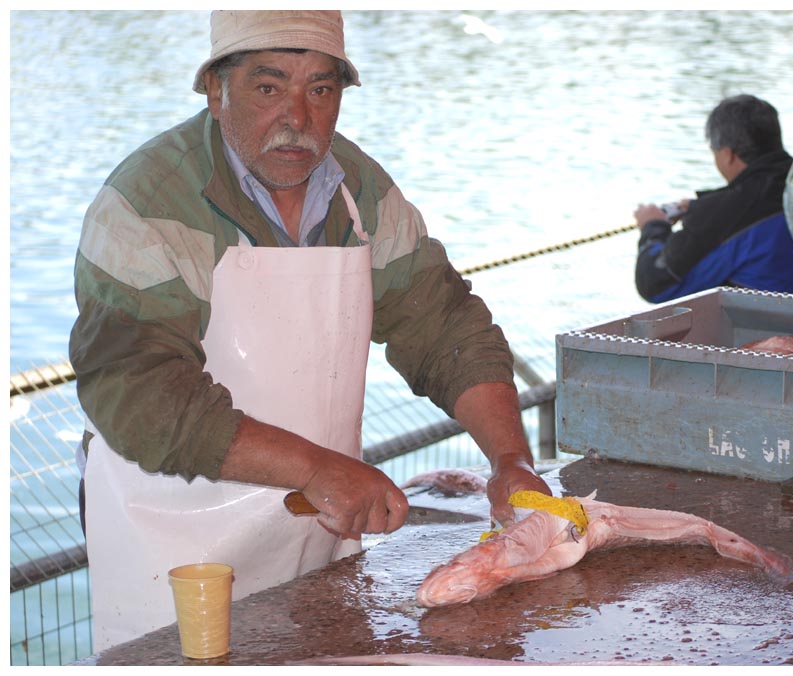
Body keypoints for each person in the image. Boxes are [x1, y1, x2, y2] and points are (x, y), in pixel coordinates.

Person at [68, 10, 550, 651]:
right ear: (217, 89)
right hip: (176, 542)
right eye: (269, 88)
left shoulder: (360, 190)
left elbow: (444, 324)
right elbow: (139, 393)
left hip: (319, 525)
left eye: (321, 90)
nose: (299, 117)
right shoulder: (148, 202)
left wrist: (509, 459)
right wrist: (317, 467)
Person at [633, 94, 793, 304]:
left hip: (762, 333)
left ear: (727, 154)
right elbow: (761, 197)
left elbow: (654, 284)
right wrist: (702, 205)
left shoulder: (721, 216)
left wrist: (653, 227)